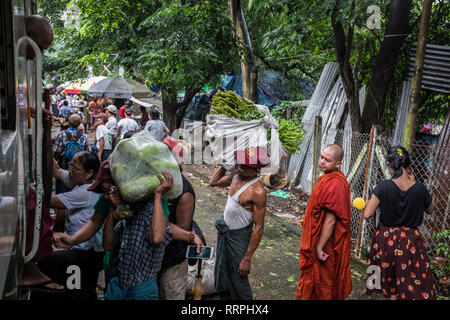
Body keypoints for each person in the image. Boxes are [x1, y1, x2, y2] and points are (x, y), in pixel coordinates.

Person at [102, 172, 203, 300]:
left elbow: (157, 238)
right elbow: (107, 244)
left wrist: (158, 196)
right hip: (120, 285)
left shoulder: (154, 209)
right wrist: (111, 210)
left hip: (143, 289)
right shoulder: (127, 213)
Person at [363, 145, 436, 300]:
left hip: (386, 241)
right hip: (411, 243)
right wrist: (415, 183)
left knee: (389, 286)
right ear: (408, 166)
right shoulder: (420, 189)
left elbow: (367, 214)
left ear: (389, 165)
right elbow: (430, 210)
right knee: (410, 285)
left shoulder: (383, 186)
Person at [35, 151, 104, 300]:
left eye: (74, 167)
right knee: (79, 286)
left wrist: (23, 188)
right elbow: (57, 171)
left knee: (76, 289)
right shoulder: (79, 180)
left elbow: (49, 201)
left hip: (83, 251)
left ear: (88, 173)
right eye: (70, 165)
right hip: (77, 248)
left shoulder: (85, 191)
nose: (70, 170)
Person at [208, 147, 269, 300]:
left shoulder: (258, 191)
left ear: (255, 170)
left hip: (239, 238)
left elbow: (259, 227)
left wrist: (247, 258)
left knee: (239, 277)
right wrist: (224, 165)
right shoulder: (235, 177)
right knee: (223, 272)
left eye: (244, 166)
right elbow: (213, 182)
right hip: (226, 233)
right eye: (239, 163)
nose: (239, 167)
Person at [295, 144, 352, 300]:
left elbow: (330, 221)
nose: (321, 162)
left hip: (326, 244)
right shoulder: (326, 178)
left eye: (327, 160)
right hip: (319, 238)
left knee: (321, 286)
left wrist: (319, 247)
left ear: (338, 164)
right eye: (321, 157)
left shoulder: (336, 184)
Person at [159, 171, 196, 300]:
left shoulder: (184, 192)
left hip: (173, 260)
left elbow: (182, 229)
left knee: (171, 293)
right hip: (155, 258)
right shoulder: (157, 184)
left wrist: (189, 236)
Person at [52, 113, 89, 193]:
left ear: (68, 122)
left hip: (64, 164)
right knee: (76, 187)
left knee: (62, 186)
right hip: (79, 166)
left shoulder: (62, 134)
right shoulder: (84, 136)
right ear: (80, 123)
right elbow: (87, 153)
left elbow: (56, 151)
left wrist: (57, 162)